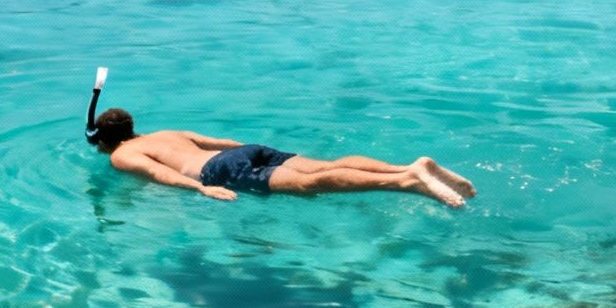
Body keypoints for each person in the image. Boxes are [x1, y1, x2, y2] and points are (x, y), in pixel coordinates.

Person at [87, 107, 476, 207]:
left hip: (217, 170)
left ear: (104, 140)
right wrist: (254, 153)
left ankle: (405, 182)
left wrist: (200, 190)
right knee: (324, 165)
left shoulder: (122, 155)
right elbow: (221, 140)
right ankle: (409, 165)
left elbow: (159, 176)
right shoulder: (165, 132)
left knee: (309, 187)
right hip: (246, 150)